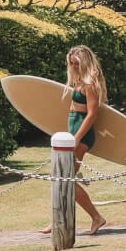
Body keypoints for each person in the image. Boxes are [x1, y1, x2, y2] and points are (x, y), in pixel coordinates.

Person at [40, 45, 110, 237]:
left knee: (66, 180)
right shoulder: (79, 82)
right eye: (71, 63)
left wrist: (76, 139)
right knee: (63, 179)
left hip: (82, 136)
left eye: (76, 63)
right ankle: (58, 220)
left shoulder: (90, 84)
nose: (73, 66)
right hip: (73, 135)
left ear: (84, 62)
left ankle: (96, 217)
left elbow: (92, 115)